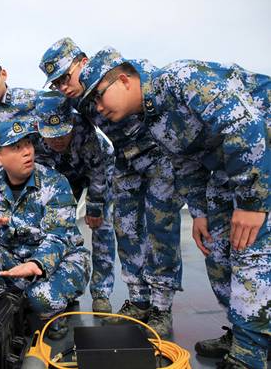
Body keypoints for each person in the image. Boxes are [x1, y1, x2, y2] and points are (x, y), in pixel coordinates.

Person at [78, 46, 270, 369]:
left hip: (260, 154)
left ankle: (250, 353)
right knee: (219, 248)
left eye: (99, 96)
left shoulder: (182, 80)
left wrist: (251, 202)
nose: (98, 108)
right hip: (229, 166)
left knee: (251, 250)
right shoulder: (152, 118)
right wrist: (199, 212)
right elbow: (185, 162)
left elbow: (243, 125)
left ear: (124, 80)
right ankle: (245, 332)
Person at [39, 37, 184, 338]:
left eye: (66, 77)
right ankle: (139, 299)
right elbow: (35, 106)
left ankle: (161, 307)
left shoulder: (130, 76)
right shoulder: (76, 100)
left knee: (160, 230)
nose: (63, 87)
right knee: (126, 230)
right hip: (126, 165)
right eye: (56, 83)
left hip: (159, 160)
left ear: (82, 61)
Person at [0, 120, 90, 339]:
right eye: (16, 147)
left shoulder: (55, 183)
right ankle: (17, 302)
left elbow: (59, 237)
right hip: (16, 259)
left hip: (61, 260)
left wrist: (35, 264)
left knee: (41, 297)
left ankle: (51, 309)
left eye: (28, 144)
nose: (27, 152)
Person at [34, 90, 116, 314]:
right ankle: (63, 286)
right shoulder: (31, 135)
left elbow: (98, 171)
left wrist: (95, 207)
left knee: (102, 227)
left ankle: (101, 293)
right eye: (51, 135)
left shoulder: (83, 127)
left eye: (62, 133)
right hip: (63, 177)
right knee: (58, 226)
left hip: (96, 170)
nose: (58, 140)